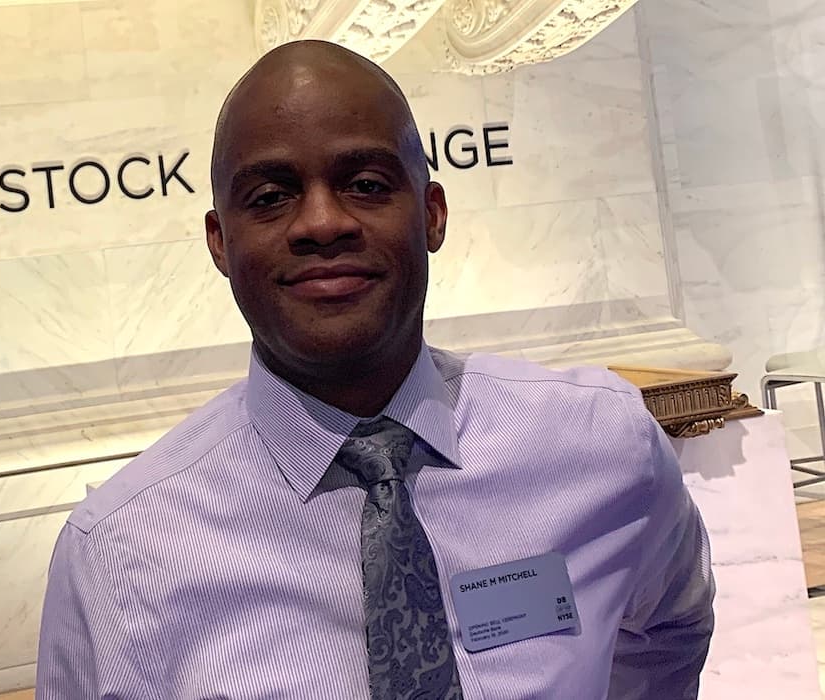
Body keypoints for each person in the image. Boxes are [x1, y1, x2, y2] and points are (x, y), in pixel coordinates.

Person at [35, 40, 714, 699]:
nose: (323, 223)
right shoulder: (121, 552)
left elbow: (668, 626)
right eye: (271, 196)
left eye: (365, 184)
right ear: (220, 242)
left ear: (432, 214)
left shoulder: (600, 444)